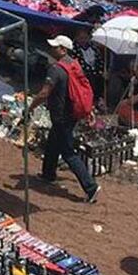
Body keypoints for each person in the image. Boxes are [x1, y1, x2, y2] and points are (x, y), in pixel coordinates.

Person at [26, 35, 100, 203]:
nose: (52, 49)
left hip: (61, 116)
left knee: (68, 153)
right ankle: (48, 174)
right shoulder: (74, 65)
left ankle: (91, 187)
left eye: (55, 46)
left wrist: (30, 107)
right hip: (72, 113)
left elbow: (45, 92)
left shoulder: (56, 69)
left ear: (63, 49)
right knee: (53, 141)